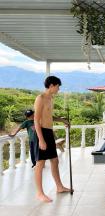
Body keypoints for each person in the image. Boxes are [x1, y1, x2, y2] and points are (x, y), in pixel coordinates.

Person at [34, 75, 71, 203]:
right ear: (51, 85)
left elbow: (49, 116)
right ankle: (39, 193)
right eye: (57, 86)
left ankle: (59, 187)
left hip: (49, 132)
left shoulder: (50, 99)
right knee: (40, 163)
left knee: (55, 161)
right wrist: (41, 139)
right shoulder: (41, 98)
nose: (58, 89)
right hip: (42, 133)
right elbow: (36, 120)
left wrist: (62, 120)